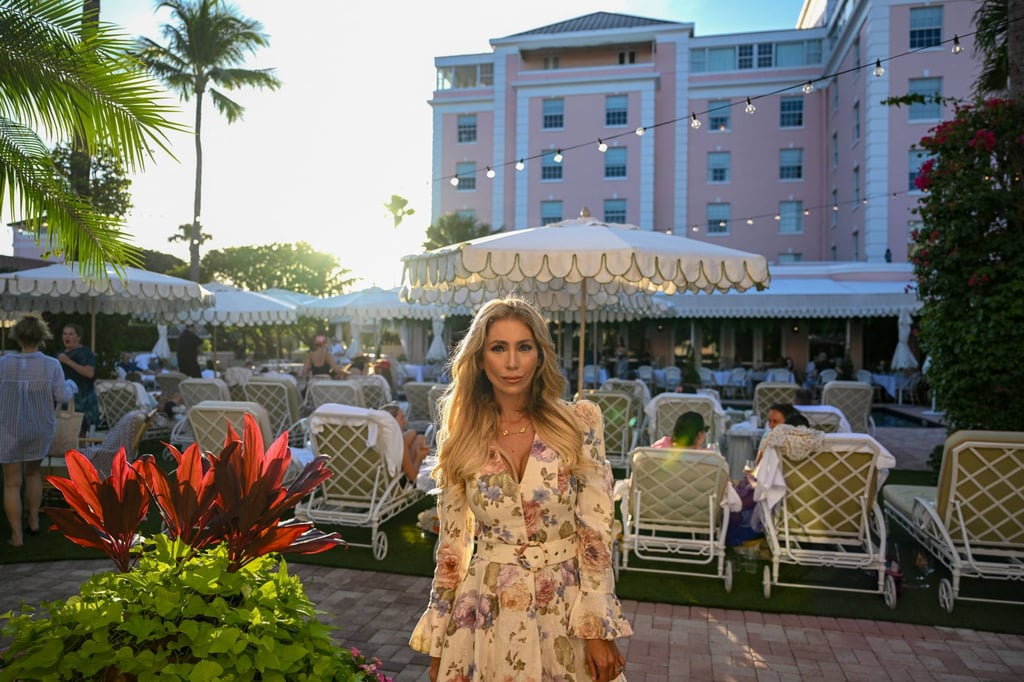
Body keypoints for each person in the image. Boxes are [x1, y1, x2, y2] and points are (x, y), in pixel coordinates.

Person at [409, 297, 631, 682]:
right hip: (485, 612)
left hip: (566, 606)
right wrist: (441, 639)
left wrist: (598, 628)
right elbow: (452, 550)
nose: (512, 363)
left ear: (539, 355)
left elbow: (595, 533)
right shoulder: (462, 437)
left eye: (523, 348)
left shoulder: (578, 423)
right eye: (498, 348)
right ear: (479, 359)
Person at [1, 315, 76, 547]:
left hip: (8, 429)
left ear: (18, 336)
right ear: (42, 336)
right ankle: (33, 521)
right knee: (33, 474)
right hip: (39, 427)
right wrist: (72, 386)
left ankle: (17, 536)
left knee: (11, 483)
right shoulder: (51, 364)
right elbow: (62, 396)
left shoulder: (3, 363)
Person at [58, 323, 100, 433]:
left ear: (78, 337)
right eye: (65, 334)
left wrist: (68, 361)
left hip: (82, 399)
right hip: (65, 397)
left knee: (78, 432)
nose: (67, 337)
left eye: (71, 334)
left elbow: (89, 373)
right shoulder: (60, 354)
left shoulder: (85, 352)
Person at [381, 402, 430, 481]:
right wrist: (419, 457)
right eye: (402, 418)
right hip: (399, 481)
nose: (405, 421)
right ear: (392, 421)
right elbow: (413, 477)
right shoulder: (399, 442)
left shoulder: (376, 439)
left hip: (379, 479)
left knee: (415, 435)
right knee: (417, 437)